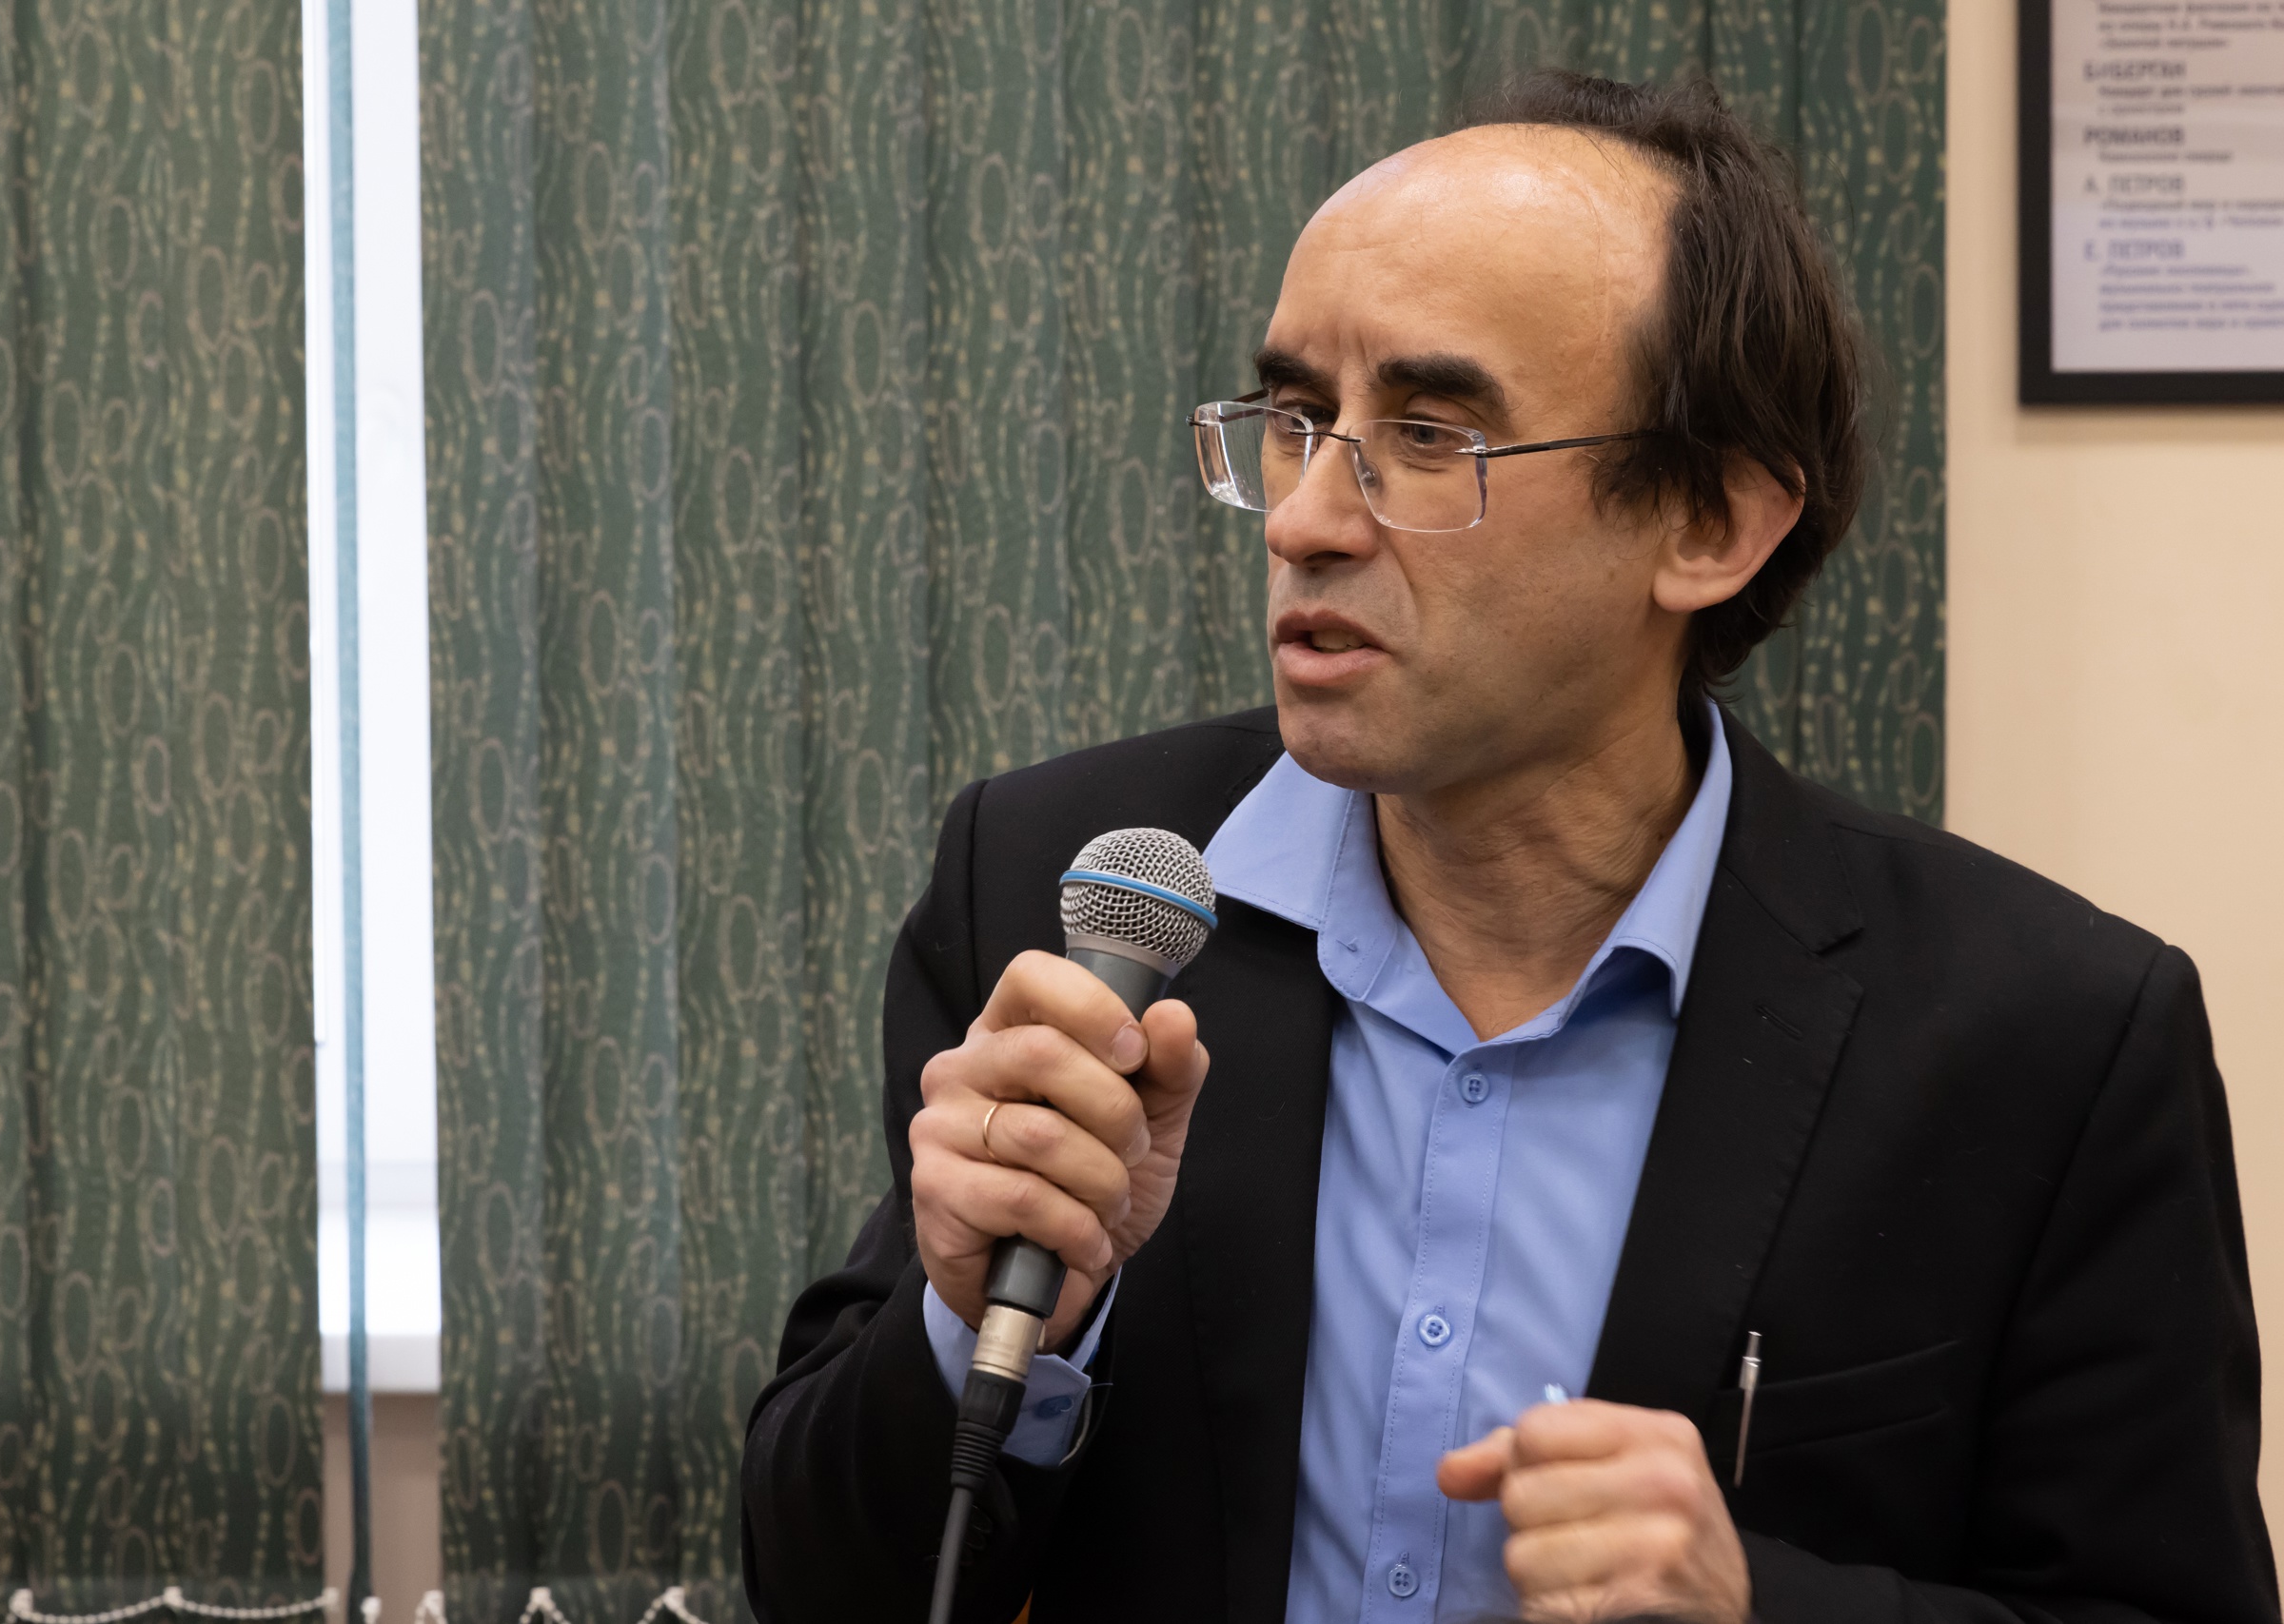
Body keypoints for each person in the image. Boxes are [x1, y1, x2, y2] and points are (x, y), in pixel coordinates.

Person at [740, 71, 2274, 1624]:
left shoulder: (2049, 1040)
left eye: (1428, 435)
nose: (1303, 520)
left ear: (1710, 522)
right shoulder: (1074, 896)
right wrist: (981, 1329)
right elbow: (818, 1582)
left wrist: (1761, 1608)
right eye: (1295, 421)